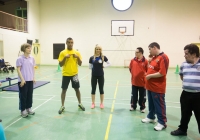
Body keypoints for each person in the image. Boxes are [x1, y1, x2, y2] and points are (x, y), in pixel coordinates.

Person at [171, 44, 200, 136]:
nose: (184, 55)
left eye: (186, 53)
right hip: (185, 94)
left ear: (194, 54)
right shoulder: (184, 64)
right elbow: (182, 76)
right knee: (185, 114)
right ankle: (182, 130)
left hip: (198, 96)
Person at [141, 42, 169, 131]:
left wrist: (150, 76)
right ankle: (151, 117)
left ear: (154, 48)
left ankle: (162, 122)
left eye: (150, 49)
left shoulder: (163, 57)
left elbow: (162, 72)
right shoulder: (154, 58)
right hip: (150, 86)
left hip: (158, 87)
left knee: (159, 105)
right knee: (151, 103)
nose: (149, 51)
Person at [58, 37, 85, 114]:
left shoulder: (77, 53)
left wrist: (78, 57)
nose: (70, 44)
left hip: (74, 75)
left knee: (77, 89)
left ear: (73, 43)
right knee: (64, 90)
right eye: (69, 42)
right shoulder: (62, 53)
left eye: (71, 42)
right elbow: (60, 64)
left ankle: (80, 103)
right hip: (65, 74)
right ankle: (62, 106)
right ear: (66, 43)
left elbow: (80, 64)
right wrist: (64, 58)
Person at [16, 43, 35, 118]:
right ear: (24, 49)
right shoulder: (20, 59)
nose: (30, 49)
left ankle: (28, 108)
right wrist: (22, 79)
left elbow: (33, 68)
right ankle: (23, 110)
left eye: (30, 48)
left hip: (30, 80)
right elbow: (18, 69)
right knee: (23, 96)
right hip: (23, 81)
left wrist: (33, 77)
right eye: (28, 48)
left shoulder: (32, 58)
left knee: (29, 95)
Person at [89, 45, 110, 109]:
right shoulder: (92, 58)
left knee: (101, 89)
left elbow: (109, 63)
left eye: (99, 49)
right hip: (94, 76)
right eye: (97, 49)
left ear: (101, 50)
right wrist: (94, 69)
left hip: (101, 76)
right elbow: (90, 67)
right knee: (93, 89)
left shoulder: (103, 57)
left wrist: (104, 66)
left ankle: (101, 103)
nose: (98, 50)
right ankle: (93, 103)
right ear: (95, 50)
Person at [129, 47, 148, 113]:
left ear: (141, 53)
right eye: (135, 52)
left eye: (137, 52)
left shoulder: (146, 61)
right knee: (134, 95)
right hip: (134, 82)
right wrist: (134, 75)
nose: (135, 53)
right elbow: (130, 69)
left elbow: (148, 71)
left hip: (142, 83)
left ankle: (142, 107)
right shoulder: (132, 60)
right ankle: (133, 106)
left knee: (142, 96)